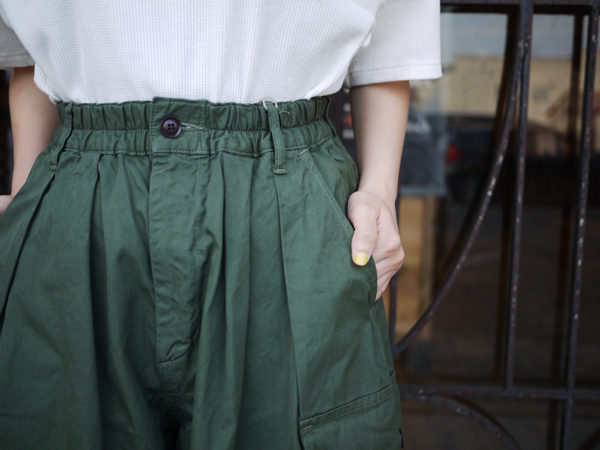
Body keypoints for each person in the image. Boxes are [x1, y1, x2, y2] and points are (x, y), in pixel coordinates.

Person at [0, 1, 441, 449]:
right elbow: (29, 60)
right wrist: (27, 195)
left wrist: (380, 190)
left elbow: (388, 49)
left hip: (284, 201)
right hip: (80, 201)